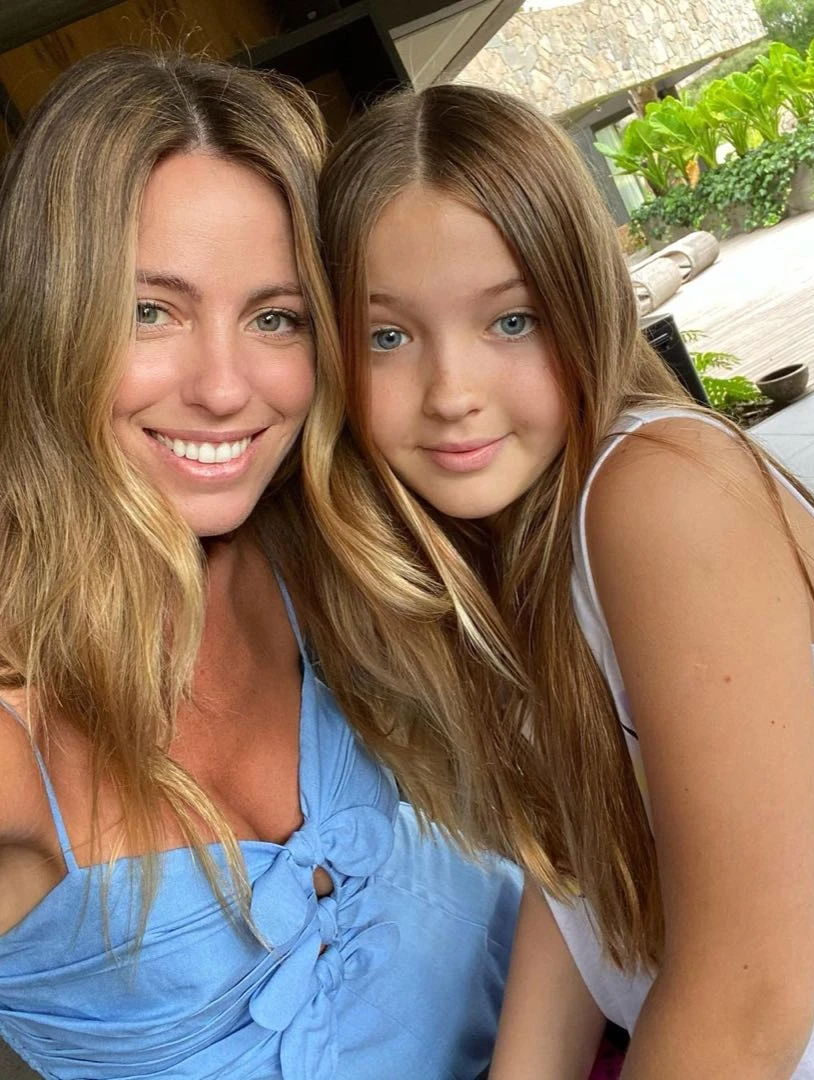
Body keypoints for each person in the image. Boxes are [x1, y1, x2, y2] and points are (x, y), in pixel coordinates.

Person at [314, 83, 814, 1079]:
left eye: (511, 320)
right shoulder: (510, 543)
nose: (451, 393)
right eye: (387, 336)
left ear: (586, 307)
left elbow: (748, 1006)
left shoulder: (657, 489)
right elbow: (577, 870)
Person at [0, 51, 519, 1080]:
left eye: (275, 317)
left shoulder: (344, 547)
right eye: (149, 310)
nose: (227, 389)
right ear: (42, 319)